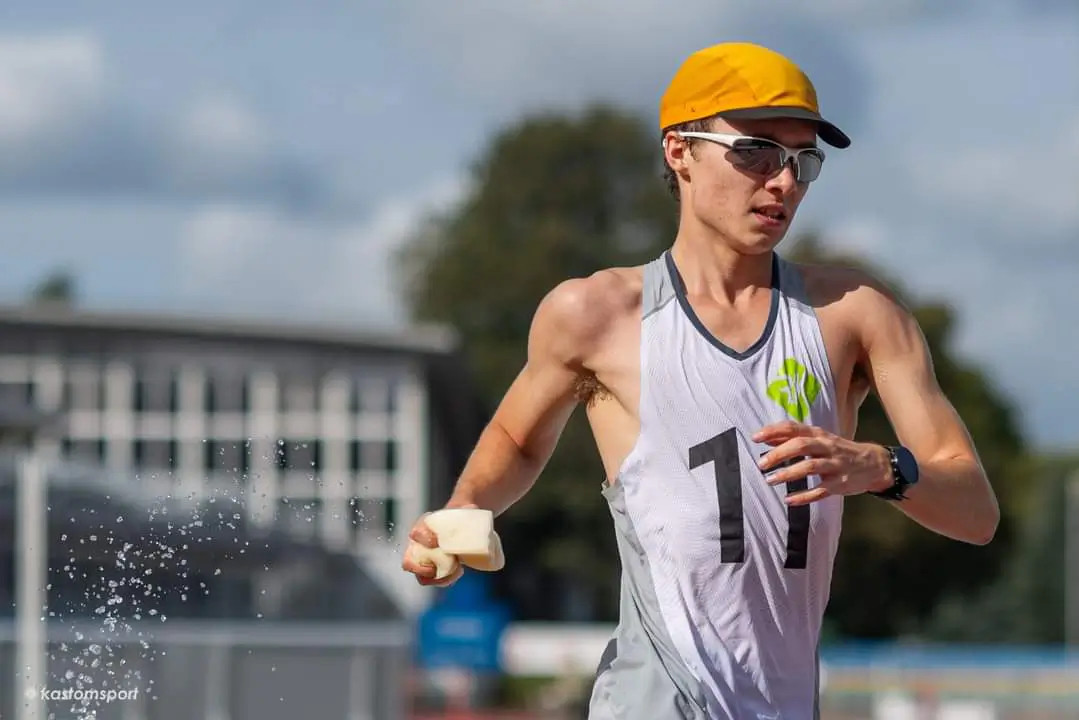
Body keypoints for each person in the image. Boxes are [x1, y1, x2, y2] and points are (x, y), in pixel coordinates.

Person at [401, 41, 1000, 719]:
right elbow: (518, 437)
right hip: (655, 700)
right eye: (754, 151)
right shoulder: (594, 313)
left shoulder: (855, 314)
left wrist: (880, 467)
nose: (782, 183)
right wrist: (464, 509)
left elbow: (975, 513)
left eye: (803, 161)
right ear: (678, 151)